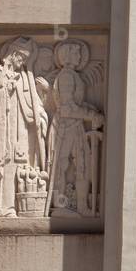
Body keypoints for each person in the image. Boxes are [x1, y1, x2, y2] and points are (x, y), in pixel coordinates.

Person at [0, 36, 49, 217]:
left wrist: (43, 96)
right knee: (4, 165)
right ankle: (0, 209)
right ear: (12, 54)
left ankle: (12, 206)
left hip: (20, 131)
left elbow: (34, 106)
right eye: (20, 58)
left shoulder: (24, 79)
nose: (22, 62)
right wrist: (6, 90)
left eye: (25, 60)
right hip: (2, 131)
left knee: (18, 166)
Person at [46, 40, 104, 217]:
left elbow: (75, 104)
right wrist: (91, 115)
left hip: (74, 126)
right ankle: (60, 205)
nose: (79, 55)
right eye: (76, 52)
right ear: (68, 56)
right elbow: (67, 108)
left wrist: (91, 111)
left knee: (83, 166)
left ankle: (81, 207)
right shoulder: (65, 77)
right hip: (64, 127)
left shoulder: (71, 75)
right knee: (62, 166)